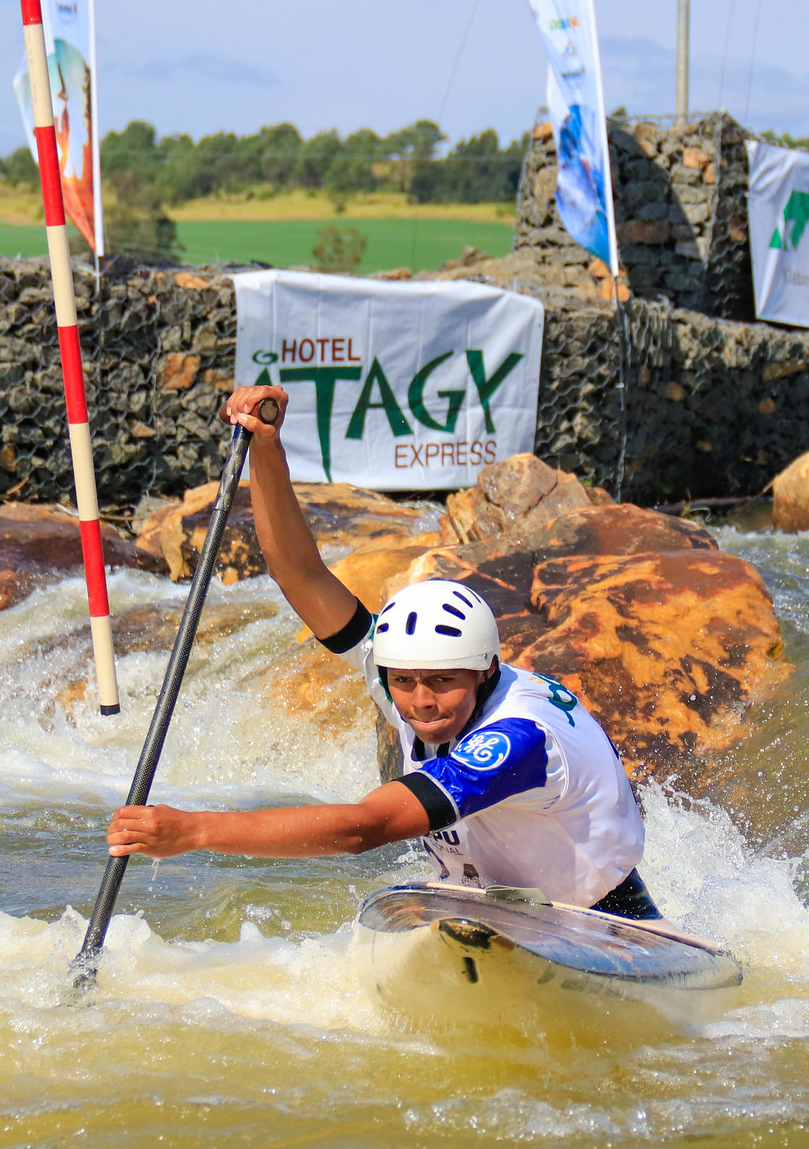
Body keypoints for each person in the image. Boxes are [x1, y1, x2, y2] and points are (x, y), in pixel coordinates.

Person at [104, 385, 661, 920]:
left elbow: (362, 830)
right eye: (404, 683)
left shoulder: (517, 739)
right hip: (500, 900)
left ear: (486, 669)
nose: (420, 703)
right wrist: (267, 447)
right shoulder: (401, 662)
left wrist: (193, 832)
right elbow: (299, 574)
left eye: (442, 683)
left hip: (607, 919)